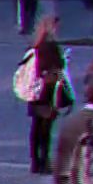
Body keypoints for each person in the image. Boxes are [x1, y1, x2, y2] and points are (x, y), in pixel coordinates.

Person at [23, 15, 68, 175]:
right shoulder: (51, 46)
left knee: (36, 126)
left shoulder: (34, 45)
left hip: (35, 90)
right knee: (46, 128)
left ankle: (35, 161)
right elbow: (57, 67)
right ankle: (43, 160)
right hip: (48, 91)